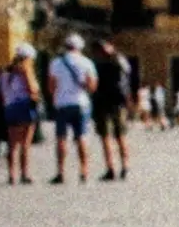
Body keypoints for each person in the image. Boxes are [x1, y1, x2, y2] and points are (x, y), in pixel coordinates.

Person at [47, 34, 98, 184]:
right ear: (80, 47)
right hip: (81, 103)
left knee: (61, 138)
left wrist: (58, 95)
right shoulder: (86, 62)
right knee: (81, 137)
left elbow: (51, 86)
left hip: (62, 103)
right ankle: (84, 171)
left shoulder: (56, 63)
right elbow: (92, 86)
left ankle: (61, 172)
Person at [0, 46, 40, 185]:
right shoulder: (25, 70)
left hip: (10, 108)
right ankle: (24, 174)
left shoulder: (5, 73)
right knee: (25, 143)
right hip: (24, 107)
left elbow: (3, 93)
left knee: (12, 143)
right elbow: (32, 88)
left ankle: (11, 174)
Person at [91, 39, 132, 181]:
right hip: (114, 102)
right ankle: (118, 167)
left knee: (112, 136)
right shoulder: (119, 60)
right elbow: (127, 78)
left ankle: (117, 168)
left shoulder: (99, 63)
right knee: (113, 136)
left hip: (108, 101)